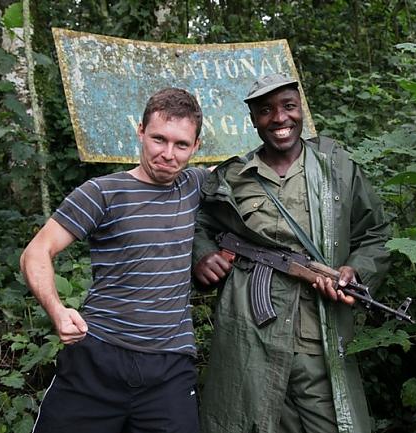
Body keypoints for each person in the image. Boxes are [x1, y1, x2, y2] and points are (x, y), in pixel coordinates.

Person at [192, 73, 390, 433]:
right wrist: (203, 254)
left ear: (302, 109)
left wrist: (355, 271)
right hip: (251, 338)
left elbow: (376, 233)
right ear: (253, 120)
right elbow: (199, 224)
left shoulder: (338, 169)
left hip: (320, 339)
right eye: (266, 111)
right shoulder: (233, 177)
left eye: (288, 107)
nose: (280, 119)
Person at [20, 87, 207, 433]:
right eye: (158, 139)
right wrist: (58, 311)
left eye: (181, 145)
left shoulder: (196, 184)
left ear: (196, 147)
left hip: (169, 369)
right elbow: (36, 252)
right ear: (140, 131)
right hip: (97, 358)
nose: (168, 154)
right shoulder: (101, 193)